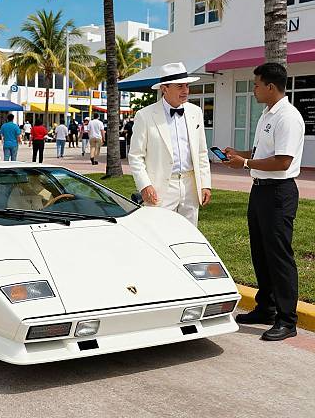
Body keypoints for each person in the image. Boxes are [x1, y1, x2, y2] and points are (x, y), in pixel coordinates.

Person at [223, 63, 305, 341]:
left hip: (279, 193)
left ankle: (287, 320)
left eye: (257, 84)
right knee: (260, 251)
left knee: (279, 255)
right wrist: (239, 155)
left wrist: (244, 162)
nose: (254, 89)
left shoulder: (288, 118)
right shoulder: (267, 115)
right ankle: (266, 307)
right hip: (260, 190)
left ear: (271, 86)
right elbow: (261, 153)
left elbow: (283, 162)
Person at [128, 62, 211, 226]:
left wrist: (205, 184)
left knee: (189, 234)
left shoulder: (196, 112)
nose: (186, 91)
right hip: (160, 188)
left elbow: (201, 152)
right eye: (180, 86)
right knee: (160, 235)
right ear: (164, 89)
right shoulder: (145, 116)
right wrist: (145, 186)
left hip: (190, 187)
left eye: (187, 86)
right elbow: (136, 156)